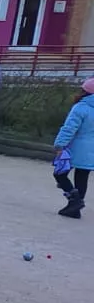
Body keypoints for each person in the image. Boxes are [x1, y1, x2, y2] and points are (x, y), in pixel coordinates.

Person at [52, 78, 94, 219]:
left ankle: (74, 200)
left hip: (77, 147)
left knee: (59, 173)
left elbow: (69, 128)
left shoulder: (81, 108)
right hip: (91, 150)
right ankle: (75, 208)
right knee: (82, 177)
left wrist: (59, 144)